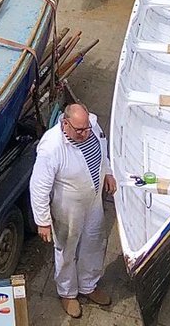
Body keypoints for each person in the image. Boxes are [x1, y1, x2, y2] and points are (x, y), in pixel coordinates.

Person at [30, 102, 115, 319]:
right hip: (68, 208)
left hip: (93, 200)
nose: (85, 133)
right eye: (79, 130)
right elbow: (39, 186)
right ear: (65, 124)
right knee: (67, 249)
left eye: (87, 128)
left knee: (95, 241)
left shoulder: (91, 126)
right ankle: (67, 292)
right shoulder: (51, 147)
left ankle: (88, 284)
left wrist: (107, 172)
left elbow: (101, 151)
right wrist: (43, 221)